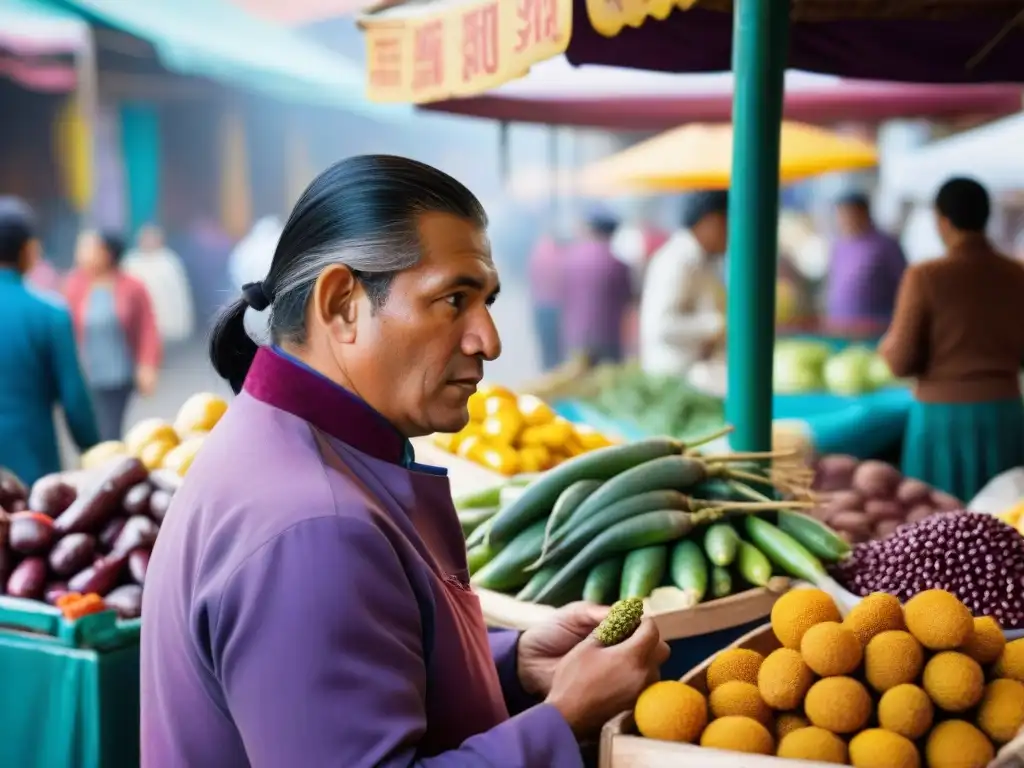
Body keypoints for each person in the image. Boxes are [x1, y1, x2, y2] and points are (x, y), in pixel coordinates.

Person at [140, 155, 668, 766]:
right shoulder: (315, 527)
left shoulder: (281, 443)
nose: (489, 341)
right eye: (453, 300)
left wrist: (512, 665)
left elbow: (339, 697)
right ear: (342, 304)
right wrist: (562, 718)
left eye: (487, 301)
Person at [880, 177, 1024, 502]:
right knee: (1007, 525)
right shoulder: (1018, 275)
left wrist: (886, 347)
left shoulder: (925, 276)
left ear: (942, 220)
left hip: (941, 421)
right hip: (1005, 416)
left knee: (935, 526)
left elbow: (900, 361)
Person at [0, 198, 99, 485]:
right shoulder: (49, 313)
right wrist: (95, 455)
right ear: (30, 250)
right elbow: (75, 401)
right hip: (31, 470)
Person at [64, 230, 162, 442]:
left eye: (89, 248)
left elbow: (148, 328)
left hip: (118, 374)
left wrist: (147, 365)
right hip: (84, 373)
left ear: (107, 253)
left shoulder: (132, 286)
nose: (82, 254)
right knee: (87, 432)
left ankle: (108, 468)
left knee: (109, 431)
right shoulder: (74, 285)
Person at [639, 190, 729, 376]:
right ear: (711, 222)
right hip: (673, 376)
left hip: (695, 371)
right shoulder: (678, 260)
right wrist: (716, 325)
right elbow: (661, 325)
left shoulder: (704, 259)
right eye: (728, 225)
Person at [825, 192, 907, 334]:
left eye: (848, 213)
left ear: (863, 212)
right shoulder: (838, 246)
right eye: (840, 214)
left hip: (876, 330)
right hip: (839, 328)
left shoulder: (886, 245)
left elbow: (905, 285)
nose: (843, 219)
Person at [560, 211, 633, 364]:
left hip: (576, 335)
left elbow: (560, 293)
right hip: (607, 336)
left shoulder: (570, 259)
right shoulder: (617, 265)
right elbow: (629, 299)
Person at [122, 224, 195, 345]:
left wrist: (183, 325)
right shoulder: (131, 262)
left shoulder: (169, 262)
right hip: (138, 323)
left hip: (166, 326)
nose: (149, 242)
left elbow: (180, 298)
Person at [527, 231, 564, 370]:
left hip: (541, 307)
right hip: (556, 309)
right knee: (557, 349)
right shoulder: (561, 255)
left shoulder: (538, 253)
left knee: (547, 348)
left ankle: (548, 371)